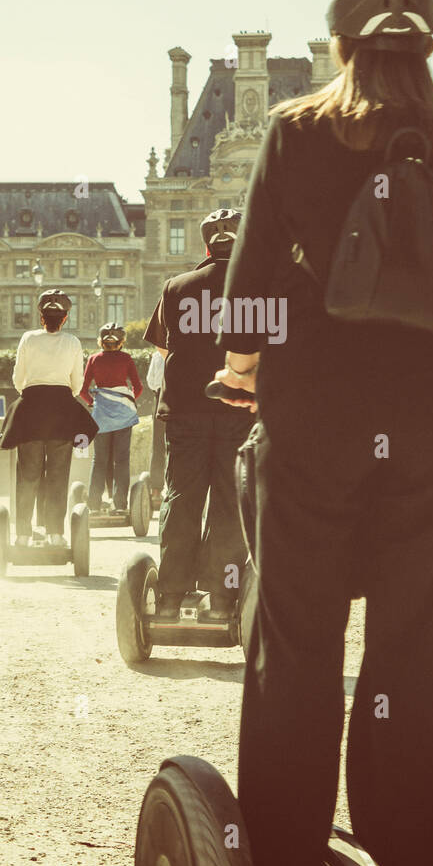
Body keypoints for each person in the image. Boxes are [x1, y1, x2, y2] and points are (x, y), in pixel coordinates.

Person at [212, 0, 433, 866]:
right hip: (432, 417)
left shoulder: (297, 133)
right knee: (413, 634)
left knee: (296, 635)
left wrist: (242, 369)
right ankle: (410, 855)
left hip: (321, 416)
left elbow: (248, 278)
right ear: (429, 44)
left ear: (340, 44)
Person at [144, 209, 253, 621]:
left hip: (186, 410)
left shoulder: (176, 287)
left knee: (182, 497)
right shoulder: (260, 290)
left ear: (205, 245)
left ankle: (170, 597)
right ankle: (222, 599)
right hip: (238, 409)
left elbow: (162, 348)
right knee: (230, 501)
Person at [0, 288, 95, 546]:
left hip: (31, 410)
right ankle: (55, 534)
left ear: (41, 316)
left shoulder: (28, 339)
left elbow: (18, 379)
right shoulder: (73, 342)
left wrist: (32, 392)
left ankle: (22, 535)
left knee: (28, 475)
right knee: (57, 476)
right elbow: (77, 383)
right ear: (65, 318)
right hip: (62, 411)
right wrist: (62, 393)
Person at [81, 323, 142, 514]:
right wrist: (126, 401)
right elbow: (138, 387)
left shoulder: (93, 359)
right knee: (121, 460)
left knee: (99, 460)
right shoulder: (126, 359)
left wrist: (93, 402)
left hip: (101, 417)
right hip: (124, 415)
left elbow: (83, 391)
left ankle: (93, 506)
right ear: (122, 342)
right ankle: (120, 505)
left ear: (100, 341)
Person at [147, 347, 166, 504]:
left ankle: (156, 491)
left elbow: (151, 382)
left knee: (158, 445)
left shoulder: (157, 355)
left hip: (160, 397)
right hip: (182, 398)